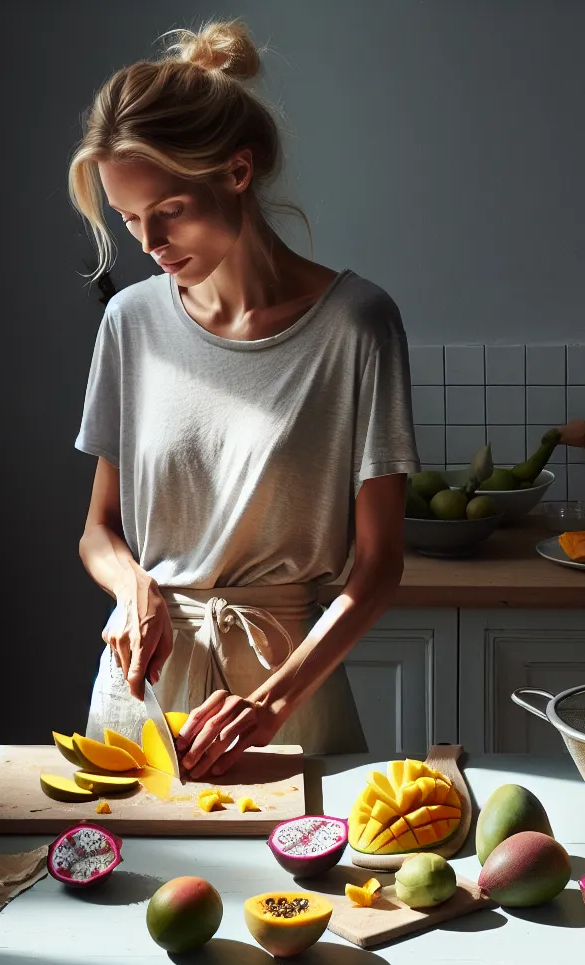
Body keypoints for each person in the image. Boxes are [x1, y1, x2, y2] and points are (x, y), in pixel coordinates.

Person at [70, 20, 420, 780]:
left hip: (285, 689)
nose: (149, 243)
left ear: (236, 171)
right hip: (139, 690)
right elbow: (99, 531)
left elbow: (379, 567)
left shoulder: (357, 325)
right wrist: (133, 588)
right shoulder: (130, 322)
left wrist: (269, 704)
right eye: (129, 219)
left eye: (168, 209)